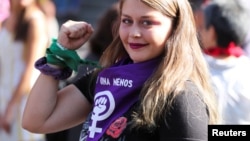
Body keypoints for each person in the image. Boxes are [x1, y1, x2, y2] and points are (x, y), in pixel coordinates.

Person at [22, 0, 220, 140]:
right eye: (127, 21)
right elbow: (36, 121)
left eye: (147, 22)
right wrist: (61, 53)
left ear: (175, 29)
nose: (134, 33)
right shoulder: (105, 79)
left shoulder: (181, 97)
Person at [0, 0, 49, 140]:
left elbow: (30, 70)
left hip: (23, 99)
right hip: (4, 95)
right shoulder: (6, 21)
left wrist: (10, 108)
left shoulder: (35, 20)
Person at [199, 0, 250, 124]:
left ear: (211, 32)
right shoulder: (246, 68)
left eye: (202, 27)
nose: (199, 32)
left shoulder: (197, 68)